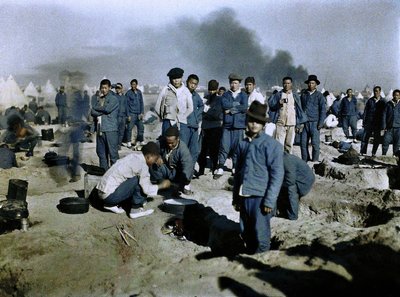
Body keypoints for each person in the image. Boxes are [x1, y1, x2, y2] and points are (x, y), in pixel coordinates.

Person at [232, 101, 284, 254]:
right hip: (245, 195)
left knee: (260, 234)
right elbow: (238, 174)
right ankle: (249, 257)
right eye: (251, 121)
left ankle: (260, 264)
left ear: (263, 124)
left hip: (260, 198)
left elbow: (277, 174)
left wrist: (269, 200)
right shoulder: (242, 144)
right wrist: (236, 197)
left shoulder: (271, 145)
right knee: (245, 231)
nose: (254, 124)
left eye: (258, 122)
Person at [96, 142, 171, 218]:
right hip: (109, 197)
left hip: (101, 192)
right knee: (138, 181)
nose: (154, 162)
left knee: (135, 179)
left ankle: (110, 204)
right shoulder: (142, 166)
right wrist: (161, 185)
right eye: (155, 159)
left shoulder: (133, 156)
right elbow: (146, 189)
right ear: (149, 156)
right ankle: (135, 210)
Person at [214, 73, 248, 179]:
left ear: (239, 84)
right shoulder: (225, 95)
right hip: (227, 125)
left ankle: (235, 166)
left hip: (239, 125)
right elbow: (224, 105)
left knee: (237, 148)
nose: (233, 85)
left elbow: (244, 107)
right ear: (229, 83)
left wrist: (231, 110)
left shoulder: (243, 95)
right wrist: (236, 106)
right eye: (232, 83)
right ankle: (220, 166)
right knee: (224, 146)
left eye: (236, 83)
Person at [149, 126, 194, 195]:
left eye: (172, 143)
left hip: (178, 174)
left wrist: (181, 184)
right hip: (167, 169)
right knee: (153, 162)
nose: (170, 145)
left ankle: (182, 186)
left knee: (186, 175)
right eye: (168, 143)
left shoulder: (183, 149)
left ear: (177, 139)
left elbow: (187, 168)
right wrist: (157, 156)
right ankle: (162, 183)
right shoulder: (162, 142)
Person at [268, 76, 307, 154]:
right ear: (282, 84)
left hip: (292, 124)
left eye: (288, 83)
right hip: (280, 123)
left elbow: (299, 111)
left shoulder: (295, 96)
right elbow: (271, 105)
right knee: (279, 145)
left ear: (291, 84)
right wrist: (278, 103)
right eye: (285, 83)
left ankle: (288, 163)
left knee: (289, 146)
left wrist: (299, 124)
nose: (286, 85)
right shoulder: (278, 95)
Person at [90, 79, 119, 171]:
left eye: (106, 88)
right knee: (101, 153)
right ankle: (104, 173)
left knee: (113, 154)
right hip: (100, 129)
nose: (104, 90)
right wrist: (98, 111)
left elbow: (107, 109)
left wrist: (96, 110)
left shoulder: (113, 99)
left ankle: (116, 176)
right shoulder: (100, 99)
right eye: (102, 88)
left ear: (110, 88)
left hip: (110, 130)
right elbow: (92, 112)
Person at [155, 67, 193, 136]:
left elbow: (190, 108)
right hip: (168, 122)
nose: (176, 81)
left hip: (182, 123)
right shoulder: (166, 89)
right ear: (170, 79)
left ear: (181, 78)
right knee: (166, 142)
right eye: (174, 78)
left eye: (178, 78)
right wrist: (164, 117)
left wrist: (182, 117)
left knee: (181, 142)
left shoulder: (186, 91)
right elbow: (157, 107)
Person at [277, 152, 315, 220]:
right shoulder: (282, 158)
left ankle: (293, 215)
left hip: (304, 182)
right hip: (299, 178)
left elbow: (290, 181)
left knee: (291, 189)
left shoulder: (287, 160)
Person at [197, 79, 223, 177]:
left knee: (214, 149)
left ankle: (214, 167)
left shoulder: (220, 99)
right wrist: (209, 112)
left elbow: (216, 114)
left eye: (213, 90)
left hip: (216, 127)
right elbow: (201, 111)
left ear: (217, 89)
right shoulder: (205, 98)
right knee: (203, 150)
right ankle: (201, 169)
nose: (211, 91)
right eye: (210, 89)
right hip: (206, 127)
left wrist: (207, 112)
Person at [300, 74, 326, 162]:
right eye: (309, 83)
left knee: (315, 144)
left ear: (316, 85)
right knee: (303, 143)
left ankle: (314, 161)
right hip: (305, 123)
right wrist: (299, 123)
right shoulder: (303, 95)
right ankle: (305, 160)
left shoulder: (319, 96)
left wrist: (321, 123)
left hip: (315, 123)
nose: (311, 85)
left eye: (313, 83)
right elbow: (300, 108)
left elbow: (323, 110)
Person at [181, 74, 204, 167]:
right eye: (191, 83)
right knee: (183, 149)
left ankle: (190, 169)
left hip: (194, 126)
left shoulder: (196, 95)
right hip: (184, 126)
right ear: (187, 82)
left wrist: (197, 116)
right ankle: (181, 169)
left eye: (195, 84)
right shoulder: (182, 93)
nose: (193, 85)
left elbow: (201, 106)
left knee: (194, 150)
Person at [360, 86, 386, 156]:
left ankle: (373, 153)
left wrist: (383, 126)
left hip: (378, 124)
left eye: (377, 91)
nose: (376, 92)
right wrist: (364, 121)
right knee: (365, 138)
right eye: (375, 91)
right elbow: (365, 112)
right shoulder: (370, 101)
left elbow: (385, 114)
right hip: (369, 123)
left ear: (380, 92)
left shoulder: (383, 102)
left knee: (376, 139)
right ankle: (362, 152)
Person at [125, 79, 145, 148]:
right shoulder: (128, 93)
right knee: (129, 128)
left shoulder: (139, 92)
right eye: (132, 84)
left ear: (136, 85)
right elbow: (126, 105)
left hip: (138, 114)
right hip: (131, 114)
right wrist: (128, 115)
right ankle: (128, 142)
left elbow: (141, 103)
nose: (133, 86)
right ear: (131, 85)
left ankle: (140, 140)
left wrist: (142, 113)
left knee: (141, 127)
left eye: (134, 84)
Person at [381, 89, 400, 156]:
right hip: (389, 127)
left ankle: (395, 156)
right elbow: (384, 115)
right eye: (394, 95)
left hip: (398, 128)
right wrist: (384, 126)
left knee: (397, 143)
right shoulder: (388, 104)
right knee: (385, 141)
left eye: (397, 95)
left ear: (399, 96)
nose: (396, 97)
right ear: (392, 95)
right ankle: (383, 155)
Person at [114, 83, 128, 150]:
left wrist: (128, 116)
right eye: (116, 88)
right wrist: (115, 85)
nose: (117, 89)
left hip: (123, 116)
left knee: (122, 132)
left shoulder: (124, 97)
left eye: (119, 88)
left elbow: (127, 106)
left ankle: (119, 144)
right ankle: (115, 144)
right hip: (117, 116)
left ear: (122, 89)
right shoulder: (114, 96)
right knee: (116, 131)